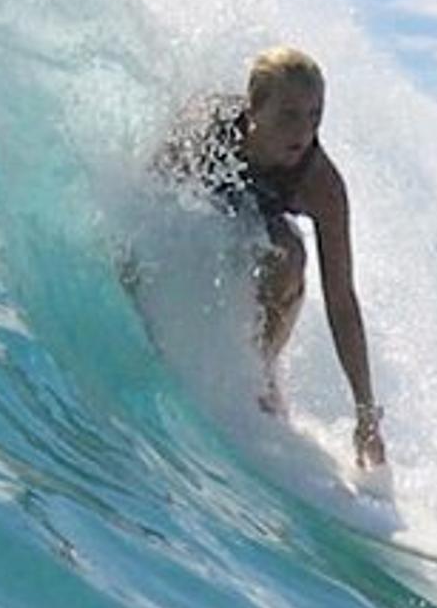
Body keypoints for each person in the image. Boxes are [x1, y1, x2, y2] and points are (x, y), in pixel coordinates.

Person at [152, 47, 387, 469]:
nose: (303, 131)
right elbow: (150, 199)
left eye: (315, 115)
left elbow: (341, 301)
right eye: (289, 115)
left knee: (290, 256)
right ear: (255, 106)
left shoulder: (322, 186)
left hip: (255, 231)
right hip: (202, 213)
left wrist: (365, 411)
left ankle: (258, 380)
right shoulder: (209, 127)